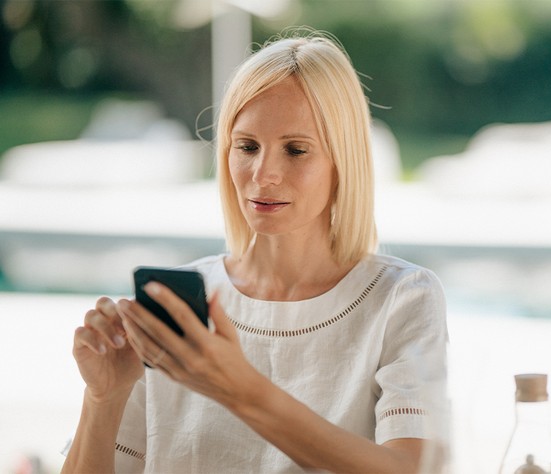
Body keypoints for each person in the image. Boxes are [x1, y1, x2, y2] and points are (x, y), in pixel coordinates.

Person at [61, 29, 447, 474]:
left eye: (296, 150)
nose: (263, 175)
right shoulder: (180, 308)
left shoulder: (401, 299)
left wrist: (242, 390)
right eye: (247, 147)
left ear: (344, 160)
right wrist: (103, 399)